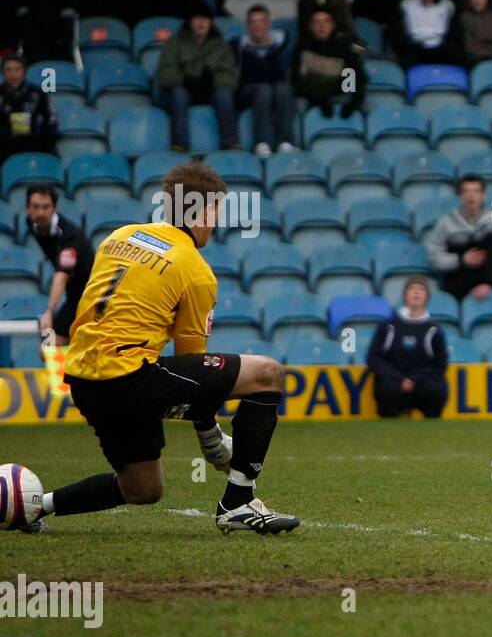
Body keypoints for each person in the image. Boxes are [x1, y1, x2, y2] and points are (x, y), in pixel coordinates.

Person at [17, 162, 300, 535]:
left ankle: (32, 506)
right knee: (267, 374)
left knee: (143, 488)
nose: (216, 224)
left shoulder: (120, 236)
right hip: (128, 376)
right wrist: (210, 437)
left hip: (84, 378)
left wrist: (209, 432)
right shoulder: (195, 270)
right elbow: (194, 361)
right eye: (216, 212)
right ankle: (238, 502)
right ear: (201, 212)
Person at [156, 4, 238, 152]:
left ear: (211, 22)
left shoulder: (221, 45)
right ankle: (179, 144)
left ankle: (230, 143)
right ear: (189, 22)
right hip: (184, 90)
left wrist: (211, 80)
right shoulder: (175, 43)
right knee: (178, 94)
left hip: (210, 91)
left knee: (224, 94)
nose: (201, 23)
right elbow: (165, 73)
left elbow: (230, 76)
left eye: (205, 19)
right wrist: (185, 79)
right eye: (197, 19)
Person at [367, 277, 449, 420]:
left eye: (421, 289)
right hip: (394, 381)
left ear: (427, 297)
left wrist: (413, 379)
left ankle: (432, 425)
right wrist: (399, 379)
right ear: (405, 295)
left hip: (422, 383)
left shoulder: (434, 329)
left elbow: (440, 365)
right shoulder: (387, 326)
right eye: (412, 288)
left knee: (435, 389)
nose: (416, 293)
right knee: (387, 388)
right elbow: (374, 358)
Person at [426, 175, 492, 301]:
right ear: (460, 195)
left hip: (490, 282)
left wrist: (489, 283)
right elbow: (434, 257)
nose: (471, 196)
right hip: (459, 280)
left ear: (484, 195)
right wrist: (461, 260)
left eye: (476, 191)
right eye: (466, 191)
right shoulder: (446, 222)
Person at [28, 186, 91, 348]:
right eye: (35, 207)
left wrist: (50, 310)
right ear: (27, 208)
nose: (40, 212)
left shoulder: (70, 236)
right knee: (48, 347)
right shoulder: (32, 224)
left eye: (45, 207)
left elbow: (61, 275)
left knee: (53, 346)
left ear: (54, 208)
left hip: (91, 297)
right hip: (74, 295)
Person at [233, 5, 296, 159]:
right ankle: (262, 143)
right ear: (247, 25)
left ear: (268, 23)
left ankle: (285, 142)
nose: (257, 26)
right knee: (263, 90)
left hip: (276, 87)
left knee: (284, 89)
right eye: (253, 22)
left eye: (261, 21)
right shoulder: (237, 46)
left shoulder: (282, 43)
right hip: (247, 90)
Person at [292, 7, 367, 118]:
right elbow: (297, 82)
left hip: (339, 94)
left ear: (332, 25)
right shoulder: (302, 50)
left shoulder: (345, 49)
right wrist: (320, 100)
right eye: (317, 22)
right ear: (311, 26)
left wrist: (353, 103)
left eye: (326, 21)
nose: (322, 26)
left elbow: (356, 79)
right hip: (310, 98)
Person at [389, 0, 459, 69]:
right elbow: (399, 37)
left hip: (442, 52)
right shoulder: (405, 5)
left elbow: (453, 37)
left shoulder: (448, 5)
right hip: (413, 52)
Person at [0, 54, 57, 162]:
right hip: (4, 149)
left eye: (17, 69)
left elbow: (51, 120)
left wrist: (42, 142)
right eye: (8, 70)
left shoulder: (37, 93)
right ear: (3, 73)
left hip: (34, 146)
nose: (13, 74)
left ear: (24, 71)